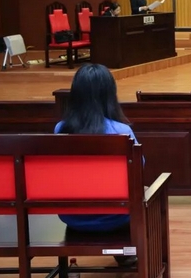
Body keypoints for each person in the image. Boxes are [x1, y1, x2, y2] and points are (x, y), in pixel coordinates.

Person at [54, 63, 139, 266]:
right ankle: (131, 254)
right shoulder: (122, 132)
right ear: (109, 94)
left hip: (72, 217)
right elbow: (139, 170)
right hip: (117, 218)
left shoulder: (60, 129)